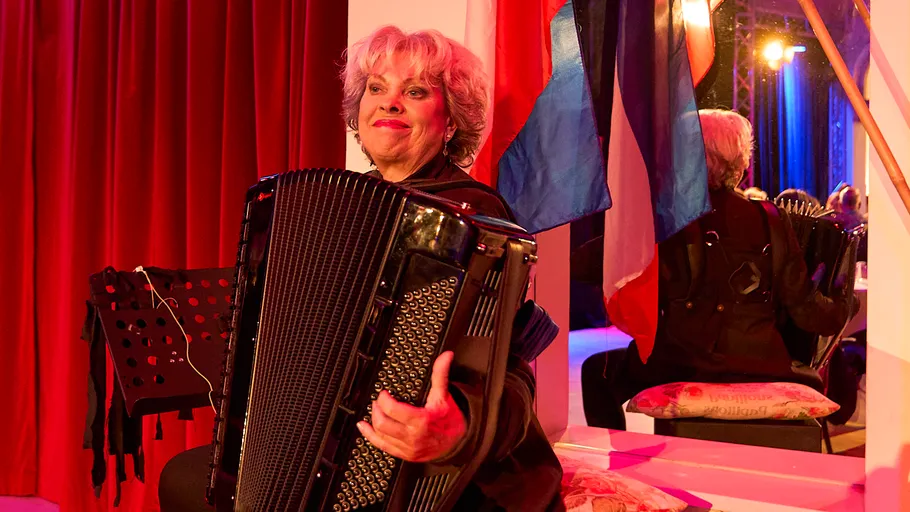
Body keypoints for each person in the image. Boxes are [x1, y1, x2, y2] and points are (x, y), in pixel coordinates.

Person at [159, 26, 564, 512]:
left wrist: (457, 428)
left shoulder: (476, 222)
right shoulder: (335, 206)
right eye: (377, 88)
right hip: (327, 448)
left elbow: (512, 371)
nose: (390, 103)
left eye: (414, 92)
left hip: (437, 472)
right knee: (185, 480)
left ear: (450, 121)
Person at [581, 109, 855, 430]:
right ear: (740, 164)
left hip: (682, 365)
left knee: (595, 372)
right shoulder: (773, 219)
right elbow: (809, 314)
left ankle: (623, 468)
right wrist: (842, 305)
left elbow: (584, 264)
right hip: (762, 364)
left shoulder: (667, 219)